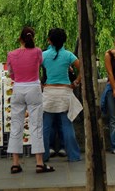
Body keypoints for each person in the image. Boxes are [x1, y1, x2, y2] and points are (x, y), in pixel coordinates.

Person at [6, 26, 54, 174]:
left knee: (16, 125)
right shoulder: (38, 51)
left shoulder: (11, 54)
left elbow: (11, 74)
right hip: (34, 88)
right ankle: (39, 162)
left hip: (18, 88)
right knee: (36, 125)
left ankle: (15, 163)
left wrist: (18, 79)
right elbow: (39, 65)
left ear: (20, 38)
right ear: (32, 38)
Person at [41, 28, 82, 162]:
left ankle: (43, 155)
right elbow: (82, 67)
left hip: (49, 92)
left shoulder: (44, 55)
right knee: (67, 125)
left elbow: (34, 70)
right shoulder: (68, 55)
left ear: (50, 41)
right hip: (65, 92)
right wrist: (75, 82)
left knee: (46, 127)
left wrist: (40, 84)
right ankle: (74, 155)